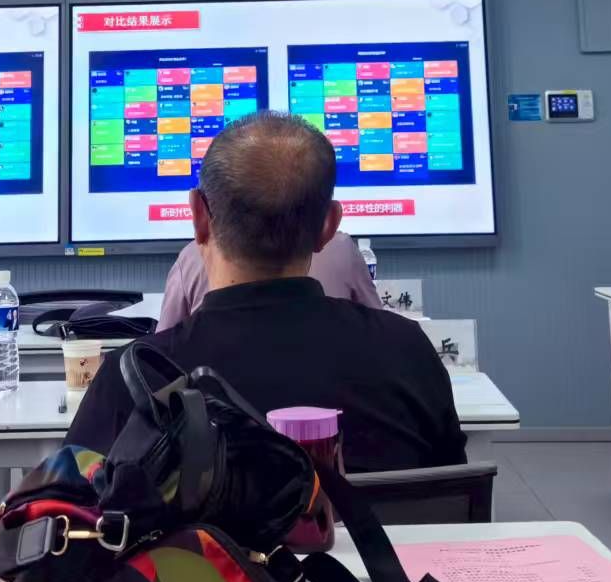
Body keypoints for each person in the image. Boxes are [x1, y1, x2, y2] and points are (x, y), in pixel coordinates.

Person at [68, 111, 465, 472]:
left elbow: (62, 512)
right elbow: (453, 500)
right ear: (329, 226)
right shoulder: (406, 353)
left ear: (199, 217)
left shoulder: (135, 379)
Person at [158, 228, 382, 331]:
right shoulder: (341, 249)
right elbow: (380, 329)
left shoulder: (192, 256)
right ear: (331, 218)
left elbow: (157, 358)